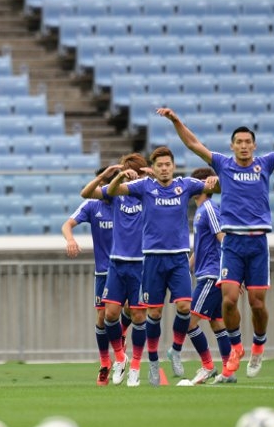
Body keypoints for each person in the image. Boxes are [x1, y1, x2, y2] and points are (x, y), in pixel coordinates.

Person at [157, 106, 274, 383]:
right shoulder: (222, 163)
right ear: (232, 146)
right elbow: (193, 144)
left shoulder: (264, 164)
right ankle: (236, 347)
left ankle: (258, 344)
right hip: (231, 244)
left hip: (257, 245)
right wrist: (176, 120)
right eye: (238, 142)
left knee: (256, 304)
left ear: (254, 145)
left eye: (247, 142)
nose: (243, 146)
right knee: (229, 301)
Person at [105, 146, 216, 386]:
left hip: (178, 258)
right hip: (152, 259)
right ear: (153, 169)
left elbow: (215, 188)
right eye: (160, 165)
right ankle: (153, 362)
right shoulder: (144, 187)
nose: (164, 168)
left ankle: (175, 350)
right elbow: (113, 191)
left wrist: (215, 180)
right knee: (153, 313)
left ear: (173, 166)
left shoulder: (185, 184)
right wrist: (119, 177)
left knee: (185, 307)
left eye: (168, 164)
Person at [81, 154, 150, 387]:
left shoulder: (149, 193)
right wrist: (114, 174)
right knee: (109, 315)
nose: (133, 175)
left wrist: (150, 175)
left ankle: (136, 367)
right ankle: (120, 358)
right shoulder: (116, 195)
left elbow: (169, 187)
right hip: (117, 264)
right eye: (129, 171)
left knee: (139, 315)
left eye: (136, 171)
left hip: (141, 264)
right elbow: (87, 193)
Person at [62, 166, 115, 385]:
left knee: (133, 312)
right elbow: (67, 224)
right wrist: (70, 239)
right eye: (99, 183)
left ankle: (121, 345)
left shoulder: (129, 203)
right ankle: (105, 363)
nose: (100, 187)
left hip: (130, 267)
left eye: (104, 183)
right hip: (103, 271)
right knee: (102, 318)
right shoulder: (92, 205)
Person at [185, 167, 234, 385]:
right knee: (217, 324)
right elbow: (201, 246)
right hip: (205, 273)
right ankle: (228, 371)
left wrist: (231, 272)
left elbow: (223, 238)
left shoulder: (210, 209)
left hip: (212, 276)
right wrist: (185, 268)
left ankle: (207, 367)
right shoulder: (200, 210)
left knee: (188, 322)